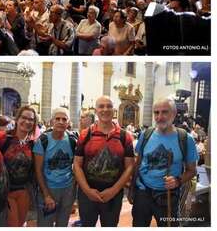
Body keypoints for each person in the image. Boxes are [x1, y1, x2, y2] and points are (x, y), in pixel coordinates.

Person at [132, 98, 198, 226]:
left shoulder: (185, 139)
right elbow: (137, 163)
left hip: (168, 196)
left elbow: (192, 170)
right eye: (156, 113)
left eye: (164, 112)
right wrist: (132, 190)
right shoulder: (145, 135)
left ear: (174, 114)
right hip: (143, 192)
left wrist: (177, 180)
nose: (159, 117)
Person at [73, 96, 135, 226]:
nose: (105, 109)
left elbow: (129, 166)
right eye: (101, 106)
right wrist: (87, 190)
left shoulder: (125, 136)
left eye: (109, 106)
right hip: (87, 194)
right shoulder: (85, 134)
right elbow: (77, 165)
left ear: (114, 110)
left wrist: (113, 190)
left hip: (113, 195)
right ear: (96, 110)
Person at [33, 108, 76, 227]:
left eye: (64, 119)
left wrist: (73, 191)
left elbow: (76, 167)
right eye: (57, 119)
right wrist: (46, 195)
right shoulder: (43, 141)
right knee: (45, 224)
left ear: (68, 123)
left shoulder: (73, 140)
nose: (61, 122)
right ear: (52, 121)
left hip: (67, 189)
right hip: (48, 188)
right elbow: (38, 170)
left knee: (62, 223)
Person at [0, 106, 38, 227]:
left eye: (31, 119)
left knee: (20, 224)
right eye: (24, 118)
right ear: (17, 119)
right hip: (6, 191)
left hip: (24, 190)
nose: (27, 122)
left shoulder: (33, 144)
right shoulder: (3, 138)